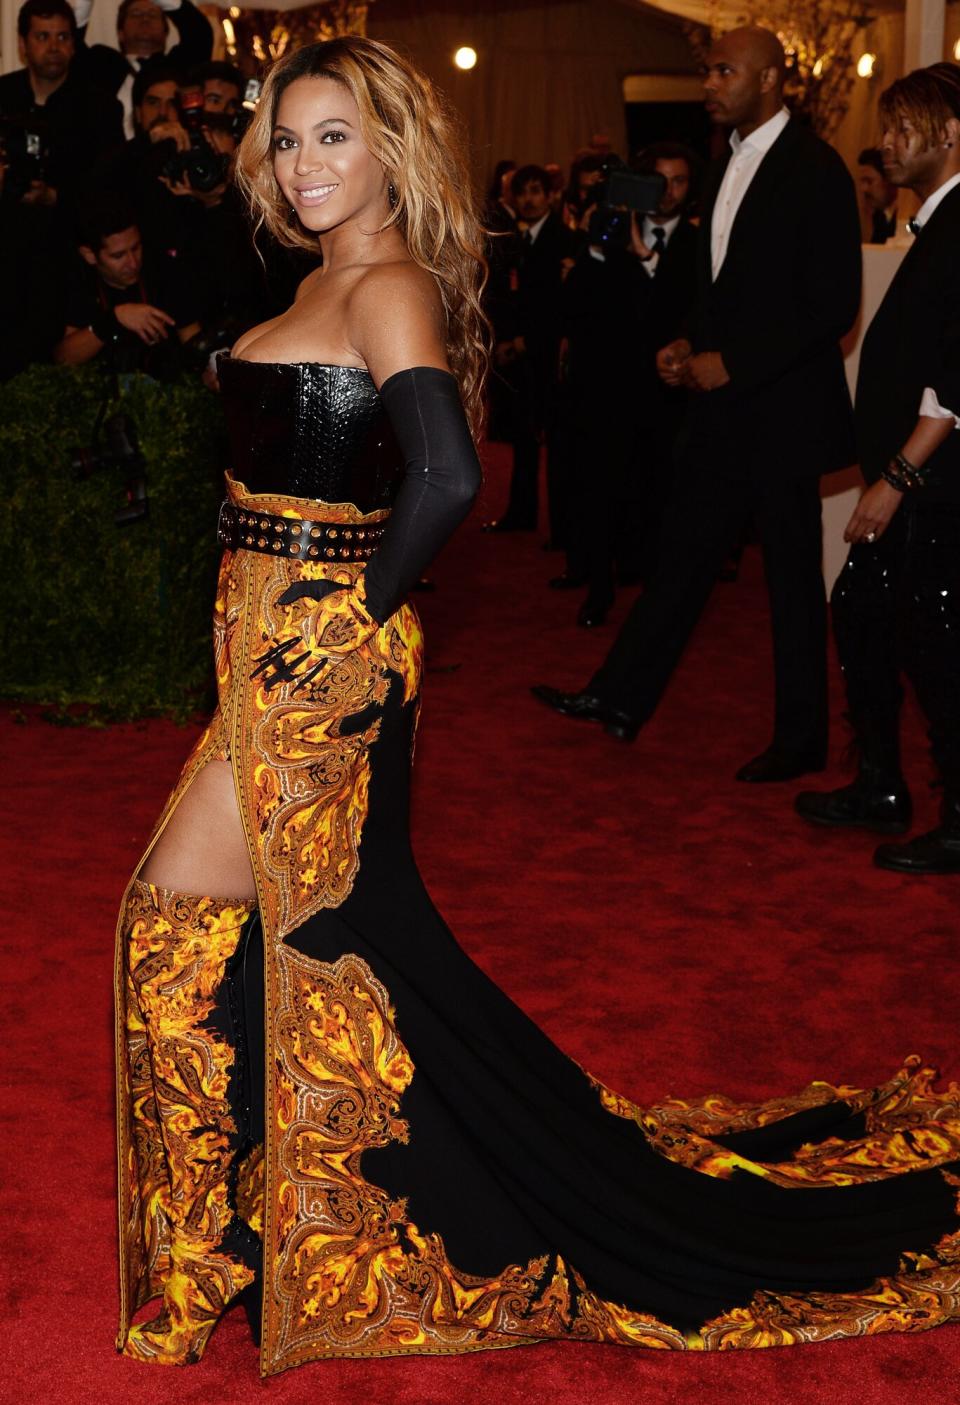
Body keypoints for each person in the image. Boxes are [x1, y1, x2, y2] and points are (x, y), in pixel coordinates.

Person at [112, 35, 960, 1377]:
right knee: (278, 936)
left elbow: (448, 478)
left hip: (318, 667)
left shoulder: (384, 284)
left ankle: (205, 1256)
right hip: (270, 648)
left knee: (192, 923)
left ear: (390, 144)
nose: (305, 162)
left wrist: (352, 610)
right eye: (287, 138)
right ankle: (243, 1233)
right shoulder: (324, 272)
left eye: (335, 135)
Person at [533, 27, 861, 781]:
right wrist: (687, 342)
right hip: (722, 409)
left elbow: (833, 304)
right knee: (679, 556)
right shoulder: (722, 164)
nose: (709, 81)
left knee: (789, 581)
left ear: (773, 78)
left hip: (779, 410)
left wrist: (734, 362)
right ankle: (619, 698)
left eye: (724, 69)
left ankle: (802, 737)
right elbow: (721, 289)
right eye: (707, 69)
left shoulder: (816, 169)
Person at [796, 63, 960, 874]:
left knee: (933, 636)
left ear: (951, 132)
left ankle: (954, 811)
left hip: (935, 481)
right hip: (916, 479)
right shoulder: (937, 223)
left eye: (904, 127)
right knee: (862, 608)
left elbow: (958, 378)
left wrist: (896, 478)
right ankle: (881, 781)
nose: (887, 142)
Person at [483, 162, 578, 533]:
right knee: (522, 440)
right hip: (517, 357)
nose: (529, 199)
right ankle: (520, 516)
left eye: (536, 191)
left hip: (551, 357)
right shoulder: (514, 239)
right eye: (522, 192)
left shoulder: (565, 240)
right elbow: (505, 297)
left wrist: (525, 342)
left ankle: (563, 527)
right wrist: (505, 342)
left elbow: (561, 307)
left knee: (557, 444)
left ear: (550, 195)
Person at [54, 194, 198, 374]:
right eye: (118, 256)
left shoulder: (164, 271)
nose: (133, 262)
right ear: (89, 255)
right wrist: (114, 320)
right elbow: (63, 359)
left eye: (136, 248)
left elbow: (193, 339)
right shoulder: (79, 282)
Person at [0, 0, 123, 209]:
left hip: (70, 234)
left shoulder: (101, 108)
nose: (54, 47)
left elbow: (112, 186)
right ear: (23, 44)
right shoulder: (3, 94)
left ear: (73, 45)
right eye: (42, 37)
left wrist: (56, 196)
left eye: (63, 37)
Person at [75, 0, 212, 137]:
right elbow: (70, 46)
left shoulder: (179, 68)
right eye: (135, 14)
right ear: (120, 33)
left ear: (166, 33)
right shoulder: (100, 66)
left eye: (153, 14)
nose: (145, 19)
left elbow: (200, 35)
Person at [858, 145, 900, 242]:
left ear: (888, 180)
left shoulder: (904, 217)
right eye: (862, 182)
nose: (863, 189)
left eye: (869, 181)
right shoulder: (879, 217)